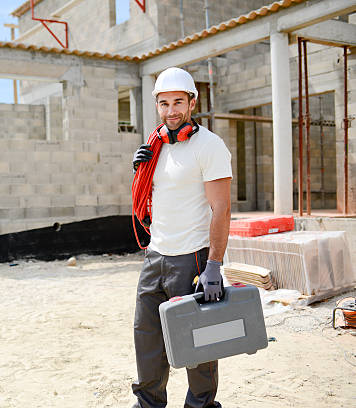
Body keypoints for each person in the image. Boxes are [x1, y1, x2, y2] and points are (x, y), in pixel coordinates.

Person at [130, 67, 232, 408]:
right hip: (155, 255)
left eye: (178, 102)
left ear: (192, 102)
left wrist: (214, 266)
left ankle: (201, 405)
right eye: (163, 103)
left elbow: (221, 209)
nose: (171, 110)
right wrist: (140, 168)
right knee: (146, 338)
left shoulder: (209, 145)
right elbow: (149, 200)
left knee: (199, 343)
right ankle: (148, 403)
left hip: (192, 256)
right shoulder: (155, 145)